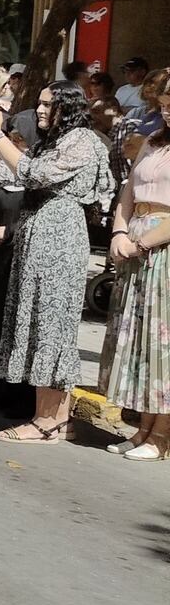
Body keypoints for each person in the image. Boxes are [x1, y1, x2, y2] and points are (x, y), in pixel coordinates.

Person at [0, 86, 113, 443]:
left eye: (48, 104)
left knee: (50, 326)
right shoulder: (51, 143)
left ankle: (46, 420)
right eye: (39, 102)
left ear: (68, 107)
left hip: (60, 240)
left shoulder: (82, 140)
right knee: (38, 322)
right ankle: (58, 419)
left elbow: (35, 174)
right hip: (36, 240)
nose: (39, 109)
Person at [102, 89, 170, 458]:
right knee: (141, 339)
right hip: (136, 240)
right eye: (165, 105)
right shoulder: (153, 141)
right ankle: (143, 428)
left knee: (162, 343)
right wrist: (119, 231)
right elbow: (128, 190)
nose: (167, 112)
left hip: (162, 249)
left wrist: (143, 243)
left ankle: (160, 436)